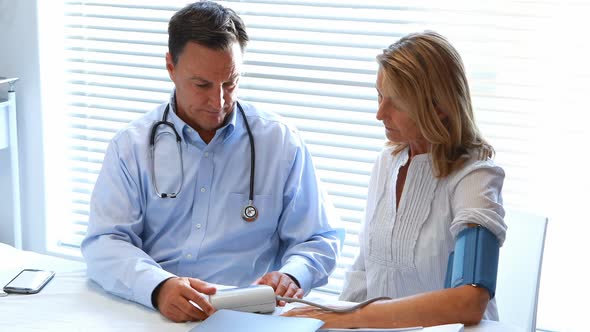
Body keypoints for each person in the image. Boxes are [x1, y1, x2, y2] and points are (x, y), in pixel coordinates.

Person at [81, 1, 342, 323]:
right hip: (155, 313)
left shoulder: (279, 142)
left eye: (230, 83)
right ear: (170, 67)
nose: (218, 102)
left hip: (246, 314)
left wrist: (294, 275)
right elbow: (105, 241)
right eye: (202, 84)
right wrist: (159, 286)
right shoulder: (131, 147)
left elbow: (320, 237)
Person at [284, 31, 506, 328]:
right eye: (379, 96)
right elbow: (365, 271)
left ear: (439, 108)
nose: (379, 114)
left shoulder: (475, 176)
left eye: (396, 103)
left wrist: (356, 317)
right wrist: (329, 321)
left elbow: (470, 300)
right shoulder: (387, 162)